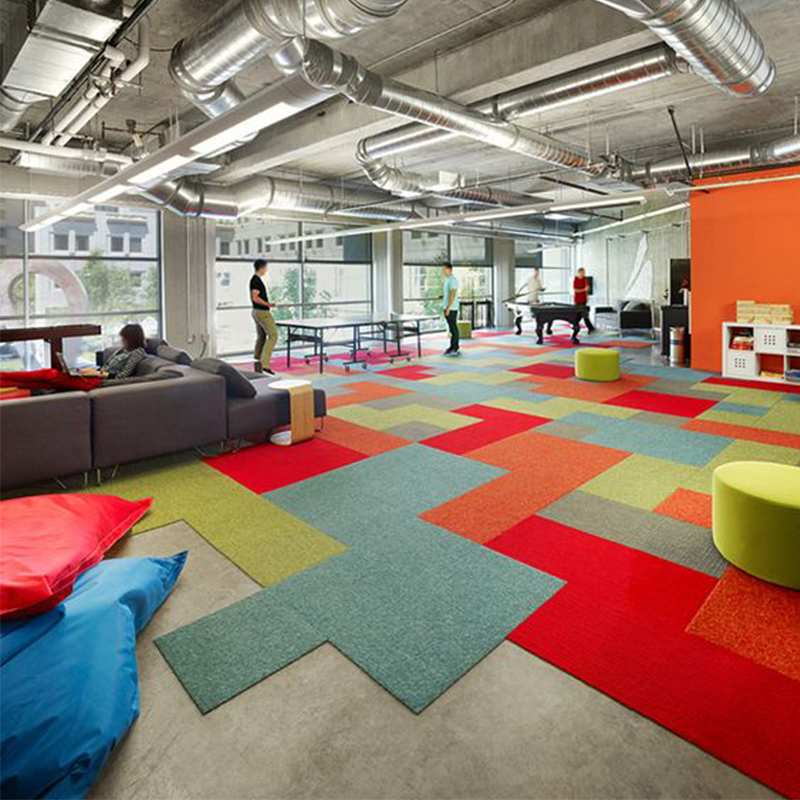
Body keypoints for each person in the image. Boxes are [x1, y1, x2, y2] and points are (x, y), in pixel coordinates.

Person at [82, 323, 147, 381]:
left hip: (108, 379)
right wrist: (97, 373)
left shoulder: (137, 352)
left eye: (124, 338)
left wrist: (104, 378)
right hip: (101, 374)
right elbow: (107, 364)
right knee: (76, 373)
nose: (122, 341)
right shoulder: (123, 350)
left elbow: (124, 375)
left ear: (132, 339)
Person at [250, 259, 277, 375]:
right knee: (273, 335)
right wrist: (268, 304)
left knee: (261, 337)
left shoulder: (255, 280)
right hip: (262, 312)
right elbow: (255, 298)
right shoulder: (256, 280)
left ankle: (257, 362)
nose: (266, 270)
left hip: (256, 311)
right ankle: (265, 364)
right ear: (261, 267)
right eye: (266, 267)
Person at [513, 267, 546, 335]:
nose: (537, 273)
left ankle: (538, 327)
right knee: (525, 313)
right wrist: (517, 293)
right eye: (536, 272)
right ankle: (520, 328)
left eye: (538, 272)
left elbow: (540, 288)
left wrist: (542, 289)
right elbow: (522, 286)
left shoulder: (538, 280)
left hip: (536, 299)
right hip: (530, 299)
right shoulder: (529, 279)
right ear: (534, 271)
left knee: (538, 315)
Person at [441, 262, 460, 356]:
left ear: (450, 269)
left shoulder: (453, 280)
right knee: (451, 328)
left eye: (444, 269)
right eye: (442, 269)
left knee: (453, 328)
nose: (443, 271)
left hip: (452, 308)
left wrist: (448, 308)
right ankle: (452, 346)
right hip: (446, 307)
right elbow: (447, 293)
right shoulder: (447, 280)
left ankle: (455, 347)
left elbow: (452, 295)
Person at [573, 267, 595, 333]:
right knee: (581, 314)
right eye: (582, 273)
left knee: (582, 314)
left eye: (584, 273)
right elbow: (575, 290)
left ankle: (576, 324)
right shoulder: (575, 280)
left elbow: (587, 288)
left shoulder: (585, 279)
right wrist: (583, 290)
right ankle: (590, 327)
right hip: (578, 300)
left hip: (584, 300)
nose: (584, 274)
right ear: (579, 273)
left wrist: (587, 291)